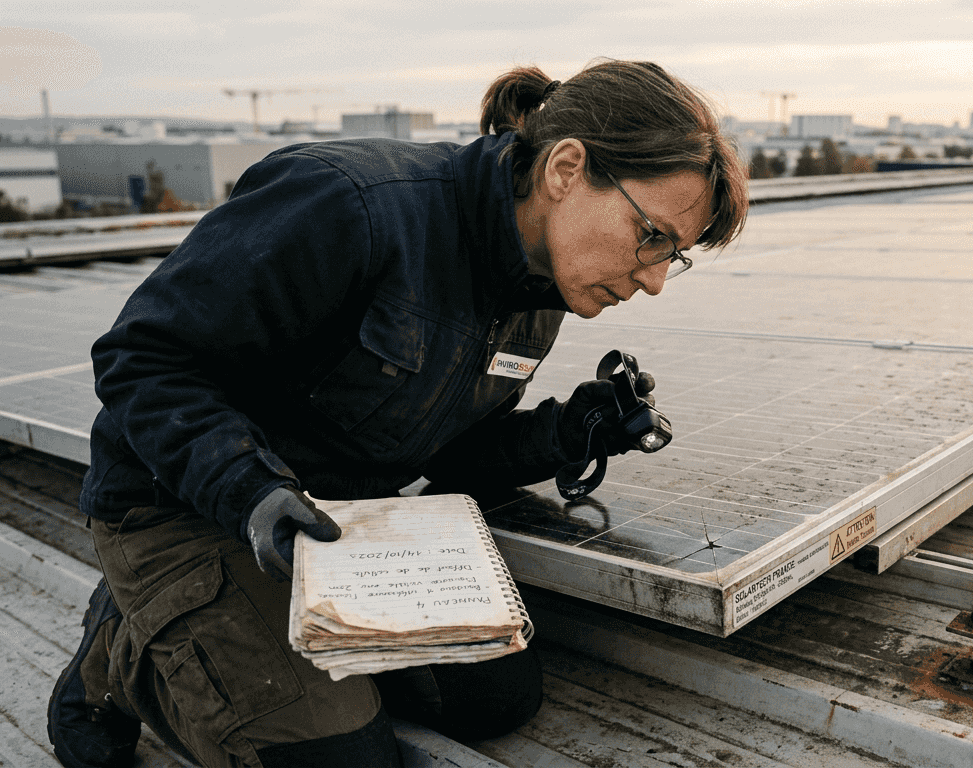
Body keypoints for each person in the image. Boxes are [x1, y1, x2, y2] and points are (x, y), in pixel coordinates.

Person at [47, 59, 748, 768]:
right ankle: (121, 651)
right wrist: (249, 491)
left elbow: (449, 453)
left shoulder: (539, 288)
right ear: (566, 169)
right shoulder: (350, 203)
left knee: (493, 698)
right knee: (343, 762)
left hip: (342, 527)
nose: (655, 279)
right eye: (653, 235)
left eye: (674, 257)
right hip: (187, 505)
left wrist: (570, 431)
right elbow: (146, 359)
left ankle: (249, 641)